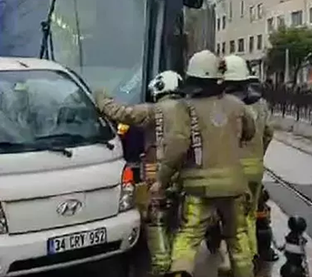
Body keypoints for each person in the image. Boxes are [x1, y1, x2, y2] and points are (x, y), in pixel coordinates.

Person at [156, 50, 256, 277]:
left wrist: (161, 181)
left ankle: (180, 273)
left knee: (189, 236)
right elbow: (249, 133)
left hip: (198, 188)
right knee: (238, 237)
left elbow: (177, 147)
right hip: (233, 187)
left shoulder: (185, 107)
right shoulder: (237, 105)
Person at [94, 71, 187, 275]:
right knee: (179, 223)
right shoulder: (190, 109)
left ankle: (163, 267)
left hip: (158, 174)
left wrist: (101, 98)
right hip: (186, 175)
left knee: (156, 220)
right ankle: (178, 264)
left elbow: (122, 113)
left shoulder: (154, 110)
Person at [222, 55, 278, 263]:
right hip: (255, 169)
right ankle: (252, 257)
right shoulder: (261, 104)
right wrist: (258, 155)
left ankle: (234, 262)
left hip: (232, 170)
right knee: (250, 217)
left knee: (231, 219)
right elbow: (269, 133)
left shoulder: (224, 105)